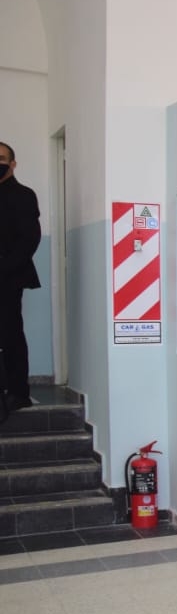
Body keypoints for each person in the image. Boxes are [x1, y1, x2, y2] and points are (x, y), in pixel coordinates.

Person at [0, 141, 42, 412]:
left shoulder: (24, 195)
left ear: (13, 164)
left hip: (8, 277)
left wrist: (4, 268)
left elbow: (30, 240)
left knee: (9, 333)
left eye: (1, 158)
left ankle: (18, 393)